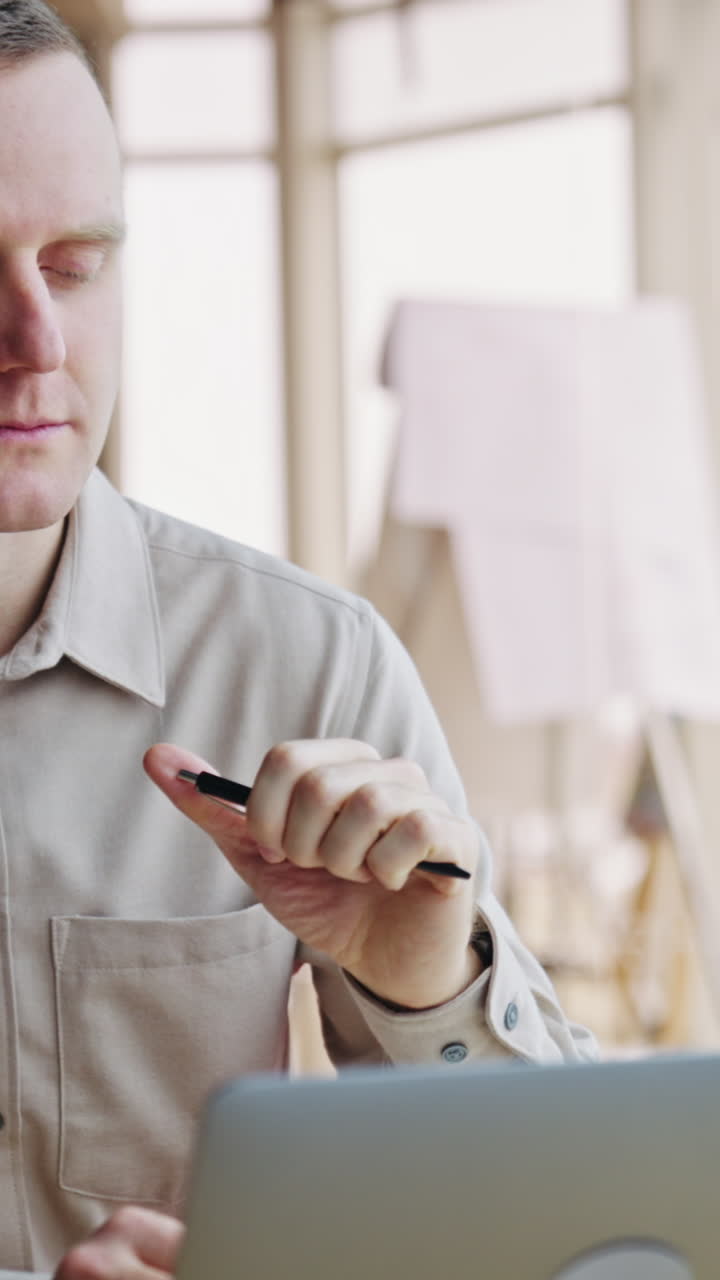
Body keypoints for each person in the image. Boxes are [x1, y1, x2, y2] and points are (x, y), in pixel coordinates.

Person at [0, 2, 596, 1276]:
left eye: (75, 264)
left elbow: (564, 1223)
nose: (35, 345)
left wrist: (425, 982)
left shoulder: (306, 666)